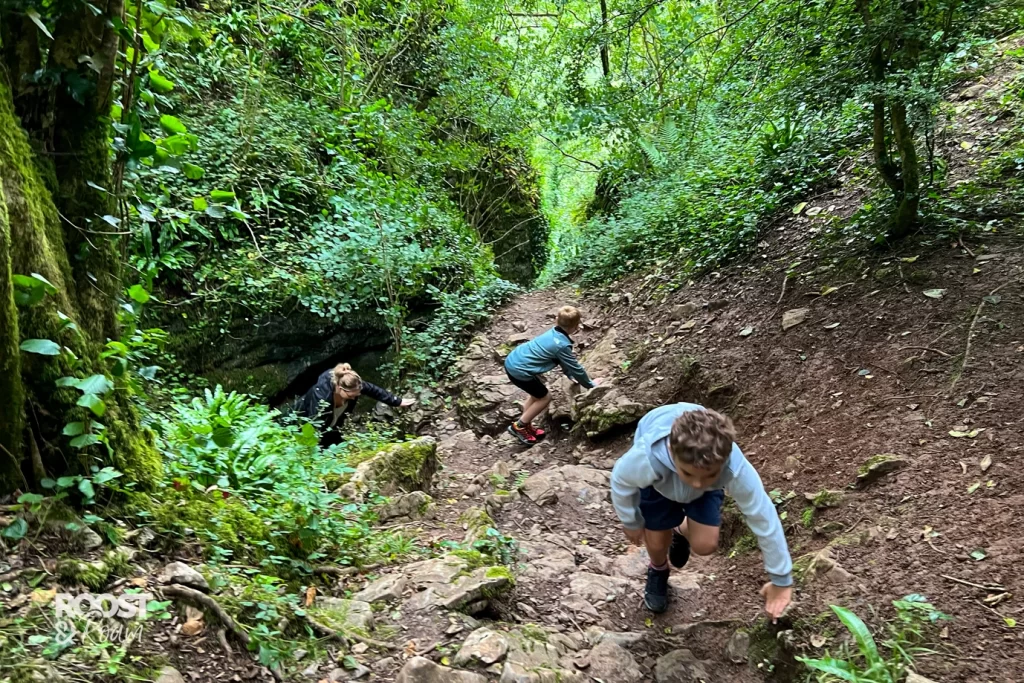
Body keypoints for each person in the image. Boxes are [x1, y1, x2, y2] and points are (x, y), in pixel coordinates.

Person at [610, 403, 793, 620]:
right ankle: (658, 569)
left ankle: (678, 528)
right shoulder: (648, 457)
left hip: (711, 485)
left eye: (706, 475)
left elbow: (763, 516)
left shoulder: (733, 469)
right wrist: (630, 520)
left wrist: (781, 580)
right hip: (660, 483)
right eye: (689, 474)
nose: (697, 484)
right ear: (671, 450)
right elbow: (621, 481)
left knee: (705, 545)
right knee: (658, 541)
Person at [503, 305, 599, 446]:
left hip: (513, 362)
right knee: (545, 397)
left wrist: (567, 374)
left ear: (556, 320)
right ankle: (519, 426)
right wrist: (591, 385)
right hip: (521, 370)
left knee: (536, 395)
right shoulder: (562, 345)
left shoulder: (554, 333)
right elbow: (576, 368)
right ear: (576, 327)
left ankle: (526, 422)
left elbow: (562, 360)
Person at [296, 363, 414, 445]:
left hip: (333, 426)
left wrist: (397, 401)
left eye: (357, 394)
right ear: (339, 388)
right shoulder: (322, 397)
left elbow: (373, 390)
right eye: (351, 395)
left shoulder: (354, 386)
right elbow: (313, 426)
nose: (354, 398)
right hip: (302, 420)